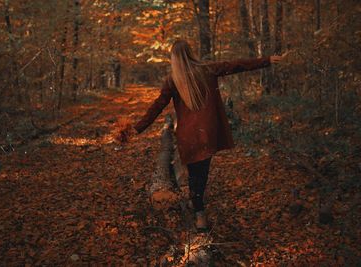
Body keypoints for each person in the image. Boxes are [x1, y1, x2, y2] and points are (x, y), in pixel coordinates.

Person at [118, 39, 287, 231]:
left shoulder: (173, 80)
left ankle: (199, 212)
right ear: (190, 53)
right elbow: (237, 65)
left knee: (194, 175)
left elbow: (156, 107)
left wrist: (137, 129)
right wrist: (267, 60)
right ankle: (198, 211)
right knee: (201, 174)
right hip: (206, 133)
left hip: (188, 137)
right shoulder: (207, 69)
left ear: (174, 59)